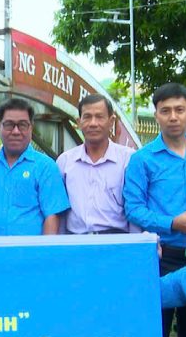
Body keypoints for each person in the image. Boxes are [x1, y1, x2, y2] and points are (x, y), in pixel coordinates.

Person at [124, 83, 186, 337]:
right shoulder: (143, 159)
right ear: (156, 115)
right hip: (163, 256)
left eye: (180, 109)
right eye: (165, 111)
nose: (173, 116)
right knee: (157, 329)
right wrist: (172, 223)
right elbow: (133, 207)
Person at [0, 98, 69, 236]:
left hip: (30, 254)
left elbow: (52, 217)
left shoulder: (45, 167)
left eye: (22, 125)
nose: (16, 131)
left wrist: (43, 253)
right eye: (9, 125)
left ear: (31, 127)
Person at [57, 94, 134, 234]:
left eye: (99, 117)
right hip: (76, 243)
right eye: (87, 117)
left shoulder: (128, 159)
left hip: (116, 242)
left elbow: (135, 208)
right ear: (79, 122)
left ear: (111, 122)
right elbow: (60, 211)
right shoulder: (65, 161)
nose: (93, 123)